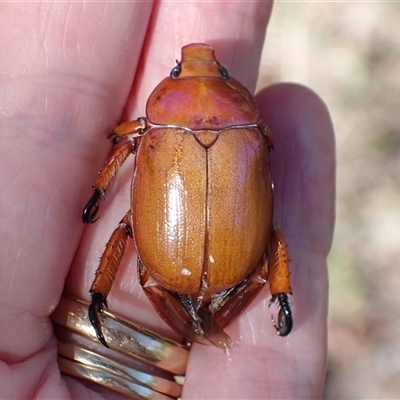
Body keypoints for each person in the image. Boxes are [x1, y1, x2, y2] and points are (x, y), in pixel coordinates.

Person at [0, 2, 334, 398]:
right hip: (230, 259)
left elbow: (121, 144)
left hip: (175, 259)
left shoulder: (145, 131)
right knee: (273, 235)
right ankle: (279, 294)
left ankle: (102, 294)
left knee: (127, 226)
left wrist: (100, 191)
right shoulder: (255, 135)